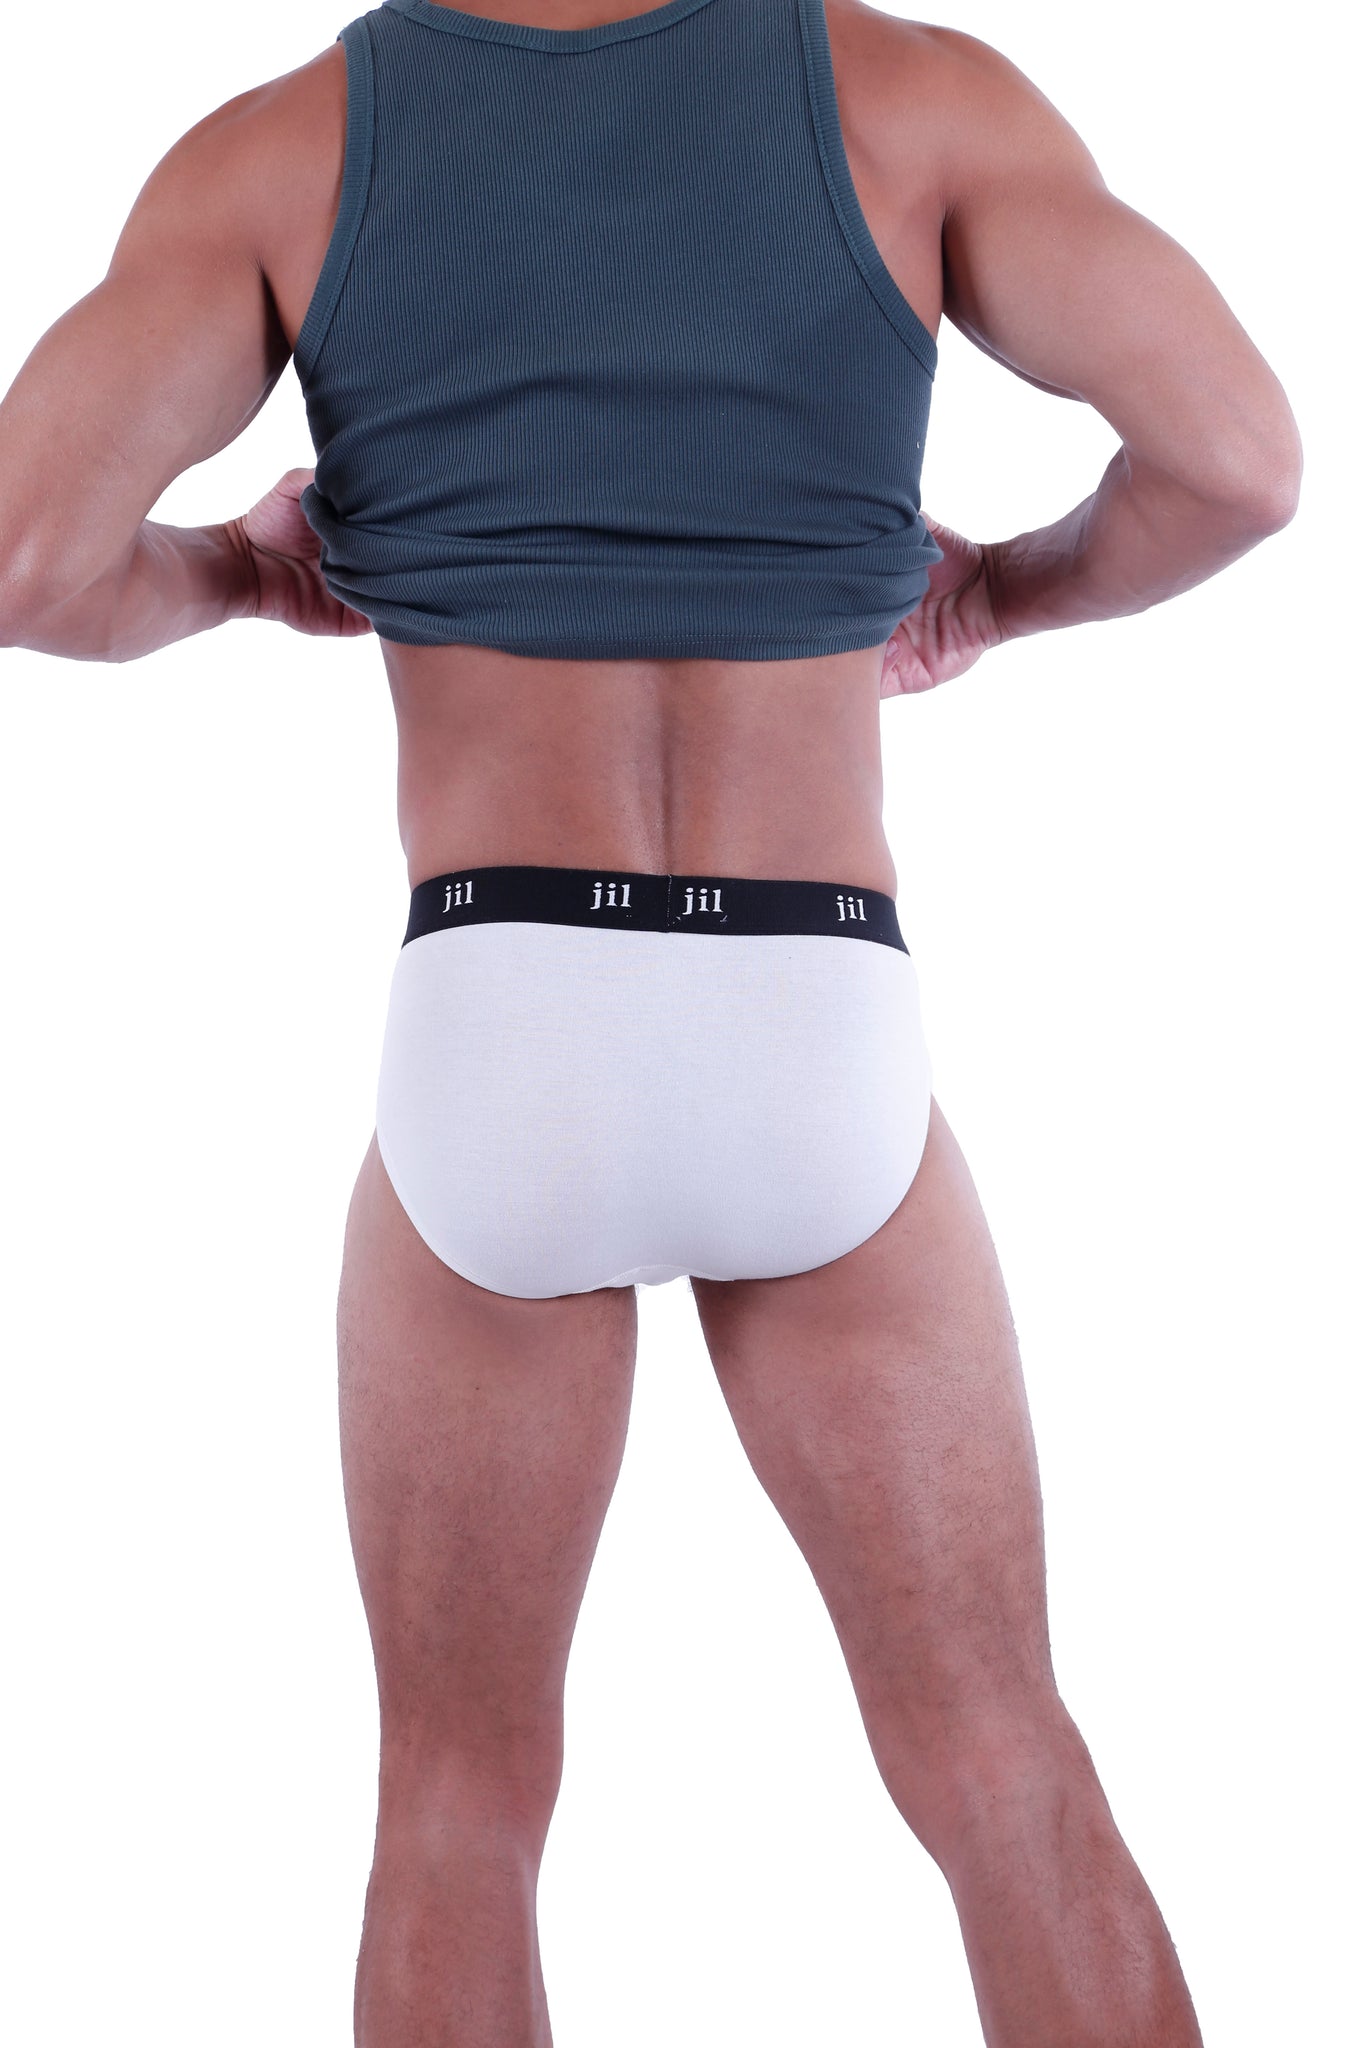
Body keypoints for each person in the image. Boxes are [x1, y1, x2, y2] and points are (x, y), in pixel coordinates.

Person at [0, 0, 1300, 2041]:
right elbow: (1237, 461)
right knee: (998, 1761)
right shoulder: (913, 97)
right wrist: (998, 595)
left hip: (499, 1006)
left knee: (456, 1803)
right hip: (814, 998)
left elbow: (25, 557)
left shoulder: (279, 150)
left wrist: (246, 581)